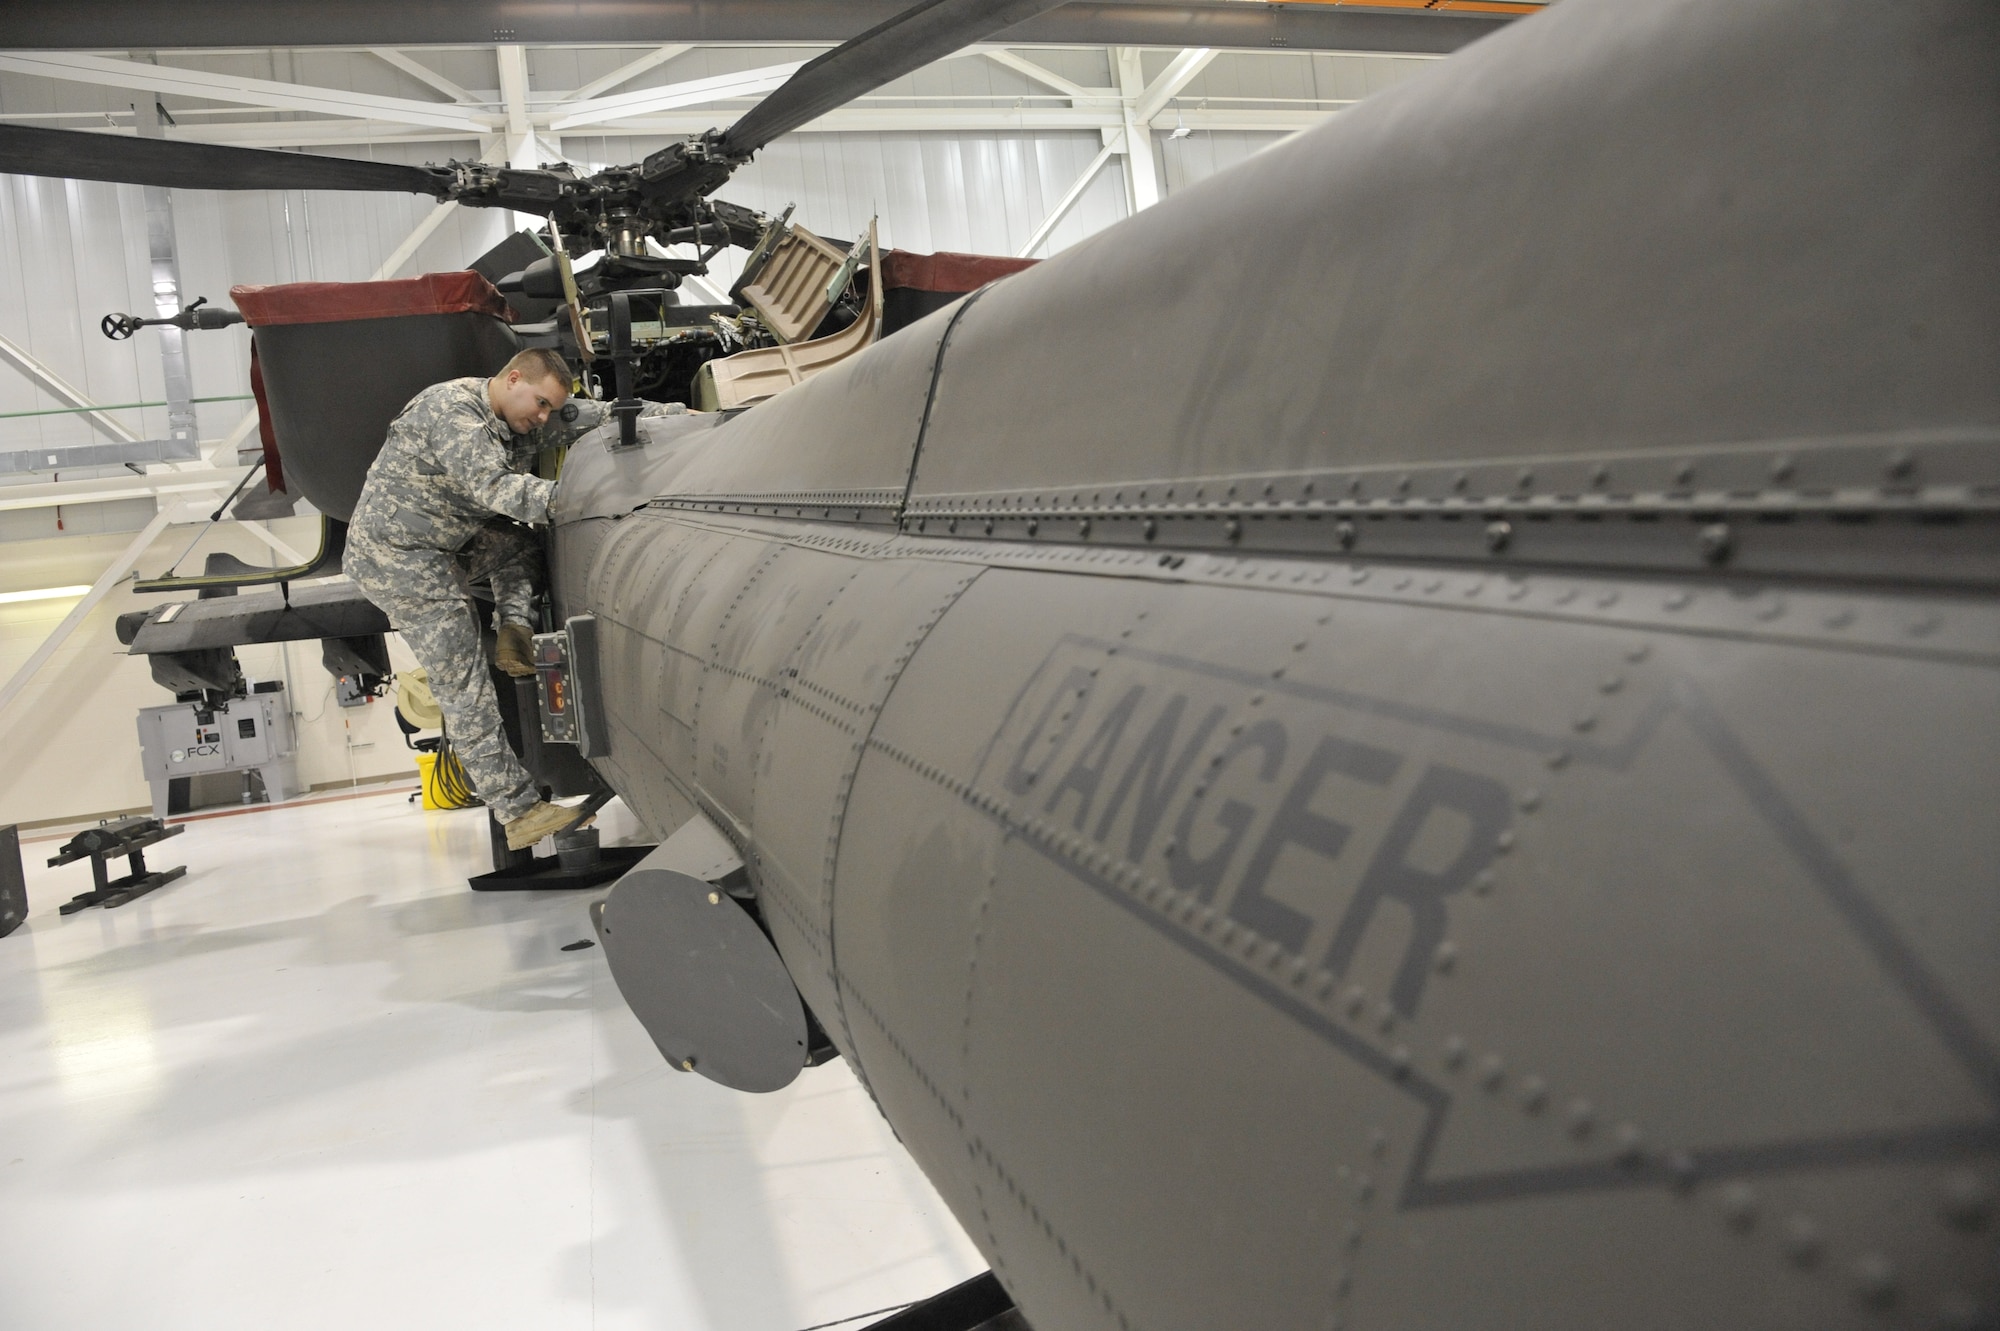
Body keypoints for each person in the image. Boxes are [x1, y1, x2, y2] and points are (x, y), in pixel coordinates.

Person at [345, 348, 666, 850]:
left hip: (446, 539)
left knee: (520, 545)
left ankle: (513, 630)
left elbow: (590, 417)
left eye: (548, 408)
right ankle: (517, 811)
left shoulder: (518, 416)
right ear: (513, 378)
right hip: (400, 559)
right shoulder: (451, 411)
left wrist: (666, 415)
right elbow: (498, 489)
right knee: (463, 682)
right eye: (539, 403)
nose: (542, 418)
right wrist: (590, 503)